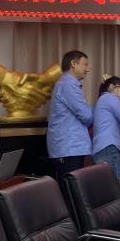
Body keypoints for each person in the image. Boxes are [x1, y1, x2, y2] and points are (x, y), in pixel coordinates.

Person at [47, 50, 92, 189]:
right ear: (73, 63)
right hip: (68, 149)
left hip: (69, 148)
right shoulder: (68, 84)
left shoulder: (65, 83)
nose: (87, 69)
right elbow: (87, 116)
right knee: (72, 193)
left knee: (73, 192)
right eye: (85, 64)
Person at [92, 74, 120, 187]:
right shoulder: (110, 98)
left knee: (106, 189)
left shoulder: (102, 99)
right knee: (116, 188)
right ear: (112, 87)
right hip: (109, 148)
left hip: (101, 149)